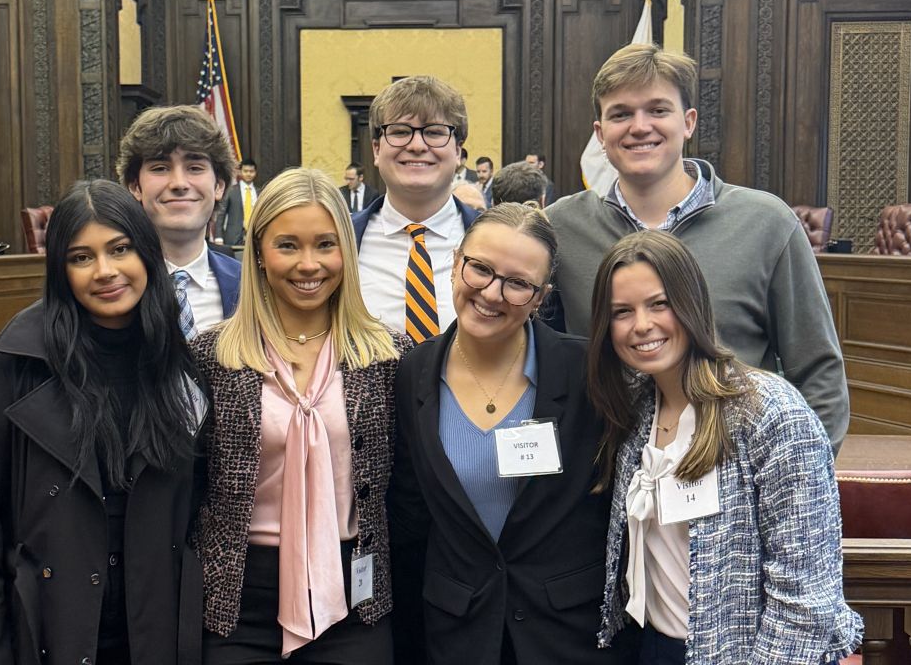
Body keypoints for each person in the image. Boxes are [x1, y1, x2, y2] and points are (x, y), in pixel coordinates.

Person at [0, 180, 208, 665]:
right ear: (60, 270)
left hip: (157, 633)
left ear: (145, 252)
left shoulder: (180, 360)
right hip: (46, 633)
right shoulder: (11, 364)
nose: (105, 272)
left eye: (120, 249)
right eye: (81, 257)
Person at [546, 43, 849, 451]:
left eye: (657, 110)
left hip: (736, 481)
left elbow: (817, 371)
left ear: (688, 122)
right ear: (600, 133)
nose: (639, 126)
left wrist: (801, 477)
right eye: (621, 113)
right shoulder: (561, 229)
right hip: (607, 487)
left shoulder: (766, 223)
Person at [588, 229, 862, 665]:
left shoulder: (771, 414)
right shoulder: (636, 407)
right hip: (651, 646)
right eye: (622, 311)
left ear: (691, 303)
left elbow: (807, 599)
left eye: (659, 304)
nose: (641, 325)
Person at [388, 203, 635, 665]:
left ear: (541, 297)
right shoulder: (413, 374)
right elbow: (410, 517)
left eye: (518, 283)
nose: (492, 293)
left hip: (568, 635)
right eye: (480, 269)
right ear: (457, 260)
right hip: (457, 632)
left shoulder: (589, 374)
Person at [191, 167, 411, 664]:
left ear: (346, 254)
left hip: (354, 597)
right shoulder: (212, 357)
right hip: (237, 601)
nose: (309, 264)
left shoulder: (388, 357)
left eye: (325, 245)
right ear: (260, 255)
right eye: (288, 245)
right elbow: (189, 486)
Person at [353, 75, 480, 343]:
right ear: (376, 149)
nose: (417, 145)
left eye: (434, 132)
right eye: (399, 132)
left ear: (458, 151)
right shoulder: (342, 240)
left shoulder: (493, 239)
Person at [118, 104, 241, 333]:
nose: (179, 184)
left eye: (194, 168)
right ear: (136, 186)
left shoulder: (252, 286)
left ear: (219, 186)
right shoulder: (111, 284)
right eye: (160, 168)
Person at [220, 158, 262, 248]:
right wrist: (218, 237)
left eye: (251, 171)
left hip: (255, 236)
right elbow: (221, 214)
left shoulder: (260, 192)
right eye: (245, 171)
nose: (248, 174)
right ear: (240, 172)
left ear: (255, 172)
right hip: (233, 237)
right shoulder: (231, 191)